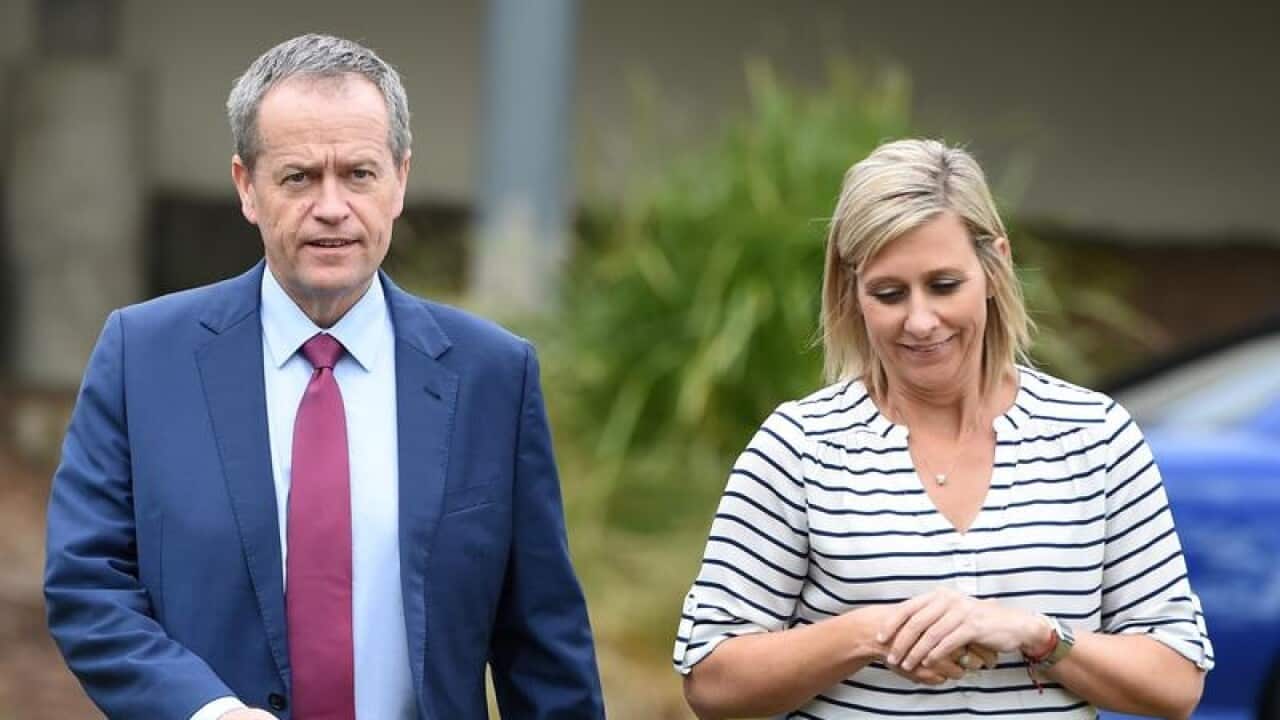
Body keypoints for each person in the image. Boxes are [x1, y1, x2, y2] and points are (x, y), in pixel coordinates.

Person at [44, 33, 603, 720]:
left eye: (359, 174)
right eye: (299, 177)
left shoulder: (493, 375)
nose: (332, 206)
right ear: (247, 187)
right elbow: (87, 584)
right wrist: (207, 712)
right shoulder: (144, 357)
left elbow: (544, 647)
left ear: (400, 180)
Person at [673, 138, 1213, 719]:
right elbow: (711, 683)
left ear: (995, 265)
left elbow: (1176, 681)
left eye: (944, 285)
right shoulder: (800, 447)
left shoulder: (1095, 436)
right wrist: (870, 634)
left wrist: (1036, 634)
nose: (921, 321)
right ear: (852, 292)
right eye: (888, 294)